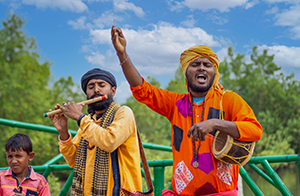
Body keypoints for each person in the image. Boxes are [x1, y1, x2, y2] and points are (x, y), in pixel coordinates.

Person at [111, 25, 263, 196]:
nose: (202, 68)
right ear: (186, 73)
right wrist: (122, 53)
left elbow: (255, 130)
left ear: (214, 73)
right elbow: (142, 89)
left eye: (207, 65)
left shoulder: (228, 100)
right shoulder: (175, 104)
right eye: (195, 64)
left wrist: (214, 123)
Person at [48, 68, 142, 196]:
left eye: (101, 85)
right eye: (91, 87)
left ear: (113, 91)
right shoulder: (88, 122)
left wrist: (80, 118)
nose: (96, 90)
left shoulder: (124, 113)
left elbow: (110, 141)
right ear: (86, 93)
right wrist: (63, 131)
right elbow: (73, 160)